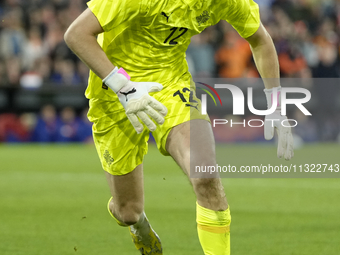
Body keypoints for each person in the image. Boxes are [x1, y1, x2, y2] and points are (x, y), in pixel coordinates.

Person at [64, 0, 294, 254]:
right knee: (128, 211)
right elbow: (76, 34)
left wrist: (276, 105)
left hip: (171, 86)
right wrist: (124, 88)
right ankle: (139, 226)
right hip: (114, 92)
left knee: (205, 173)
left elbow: (260, 39)